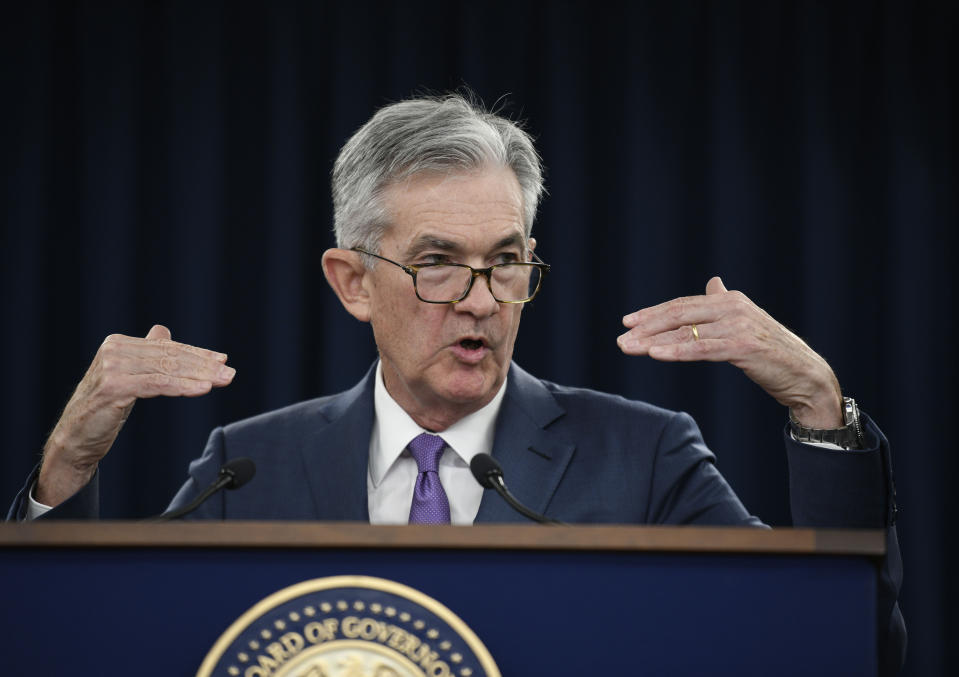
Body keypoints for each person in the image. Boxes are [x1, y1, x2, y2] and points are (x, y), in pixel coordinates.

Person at [8, 93, 903, 672]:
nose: (480, 301)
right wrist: (60, 480)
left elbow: (839, 652)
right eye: (437, 264)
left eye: (505, 262)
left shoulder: (644, 456)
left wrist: (821, 412)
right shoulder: (249, 463)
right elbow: (89, 649)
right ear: (351, 281)